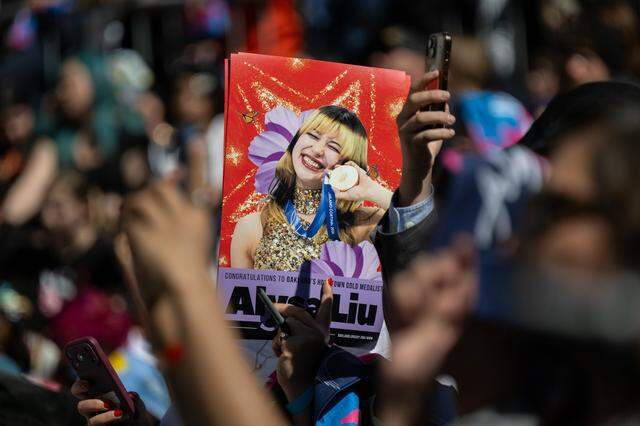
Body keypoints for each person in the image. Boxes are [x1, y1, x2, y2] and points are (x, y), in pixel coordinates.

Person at [230, 104, 394, 271]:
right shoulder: (251, 226)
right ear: (296, 141)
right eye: (313, 136)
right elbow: (236, 296)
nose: (317, 150)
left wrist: (371, 190)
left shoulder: (361, 224)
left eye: (333, 147)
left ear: (347, 165)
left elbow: (418, 225)